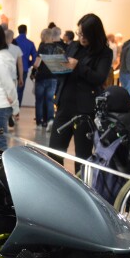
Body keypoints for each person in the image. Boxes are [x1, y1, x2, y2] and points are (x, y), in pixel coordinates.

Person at [48, 13, 113, 163]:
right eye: (80, 33)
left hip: (85, 111)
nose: (82, 38)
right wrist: (57, 66)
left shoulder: (104, 52)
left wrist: (78, 66)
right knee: (54, 151)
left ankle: (80, 179)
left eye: (85, 35)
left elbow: (99, 77)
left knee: (82, 156)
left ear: (94, 34)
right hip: (65, 106)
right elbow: (65, 67)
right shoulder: (73, 46)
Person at [31, 27, 66, 129]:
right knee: (50, 100)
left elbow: (37, 62)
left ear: (43, 36)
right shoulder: (57, 47)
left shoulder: (42, 46)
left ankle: (39, 122)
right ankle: (50, 119)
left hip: (41, 76)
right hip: (53, 77)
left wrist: (33, 72)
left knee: (39, 100)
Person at [13, 24, 37, 104]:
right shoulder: (30, 43)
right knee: (20, 90)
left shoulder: (13, 42)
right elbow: (34, 57)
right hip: (24, 68)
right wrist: (29, 64)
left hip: (12, 67)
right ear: (26, 31)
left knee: (10, 88)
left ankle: (10, 107)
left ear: (18, 31)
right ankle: (17, 108)